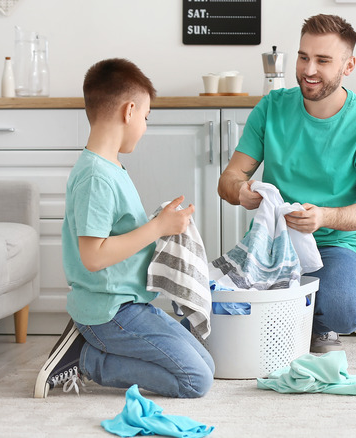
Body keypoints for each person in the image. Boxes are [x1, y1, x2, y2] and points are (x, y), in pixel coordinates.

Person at [33, 58, 215, 398]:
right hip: (109, 310)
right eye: (146, 117)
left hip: (128, 303)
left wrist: (162, 226)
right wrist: (158, 227)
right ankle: (85, 358)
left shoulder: (111, 166)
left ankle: (90, 347)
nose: (145, 126)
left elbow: (116, 237)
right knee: (196, 381)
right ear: (129, 111)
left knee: (206, 364)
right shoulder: (95, 176)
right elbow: (93, 256)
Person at [218, 14, 356, 353]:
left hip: (333, 245)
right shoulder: (272, 107)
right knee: (227, 309)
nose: (308, 69)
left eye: (323, 60)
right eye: (303, 57)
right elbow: (229, 178)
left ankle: (308, 318)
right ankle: (296, 316)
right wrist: (241, 191)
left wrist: (323, 217)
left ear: (349, 65)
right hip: (272, 238)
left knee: (344, 309)